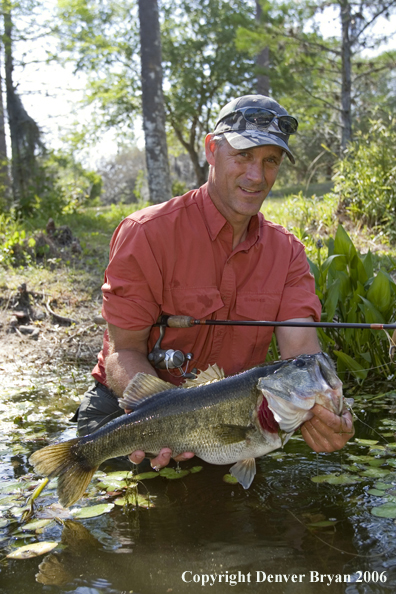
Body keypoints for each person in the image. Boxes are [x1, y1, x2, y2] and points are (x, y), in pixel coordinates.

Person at [76, 94, 354, 470]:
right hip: (129, 409)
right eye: (243, 155)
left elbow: (301, 355)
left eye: (269, 161)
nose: (256, 176)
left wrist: (330, 409)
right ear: (212, 150)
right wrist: (158, 415)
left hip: (231, 424)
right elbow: (122, 353)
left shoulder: (287, 252)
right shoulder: (146, 234)